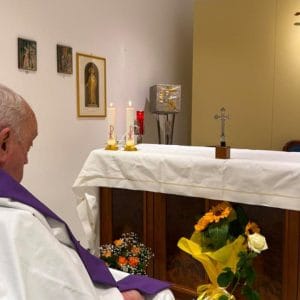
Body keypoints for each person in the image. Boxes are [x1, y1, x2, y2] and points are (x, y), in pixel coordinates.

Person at [0, 83, 174, 300]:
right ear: (4, 144)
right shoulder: (15, 222)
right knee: (159, 295)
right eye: (28, 146)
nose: (26, 159)